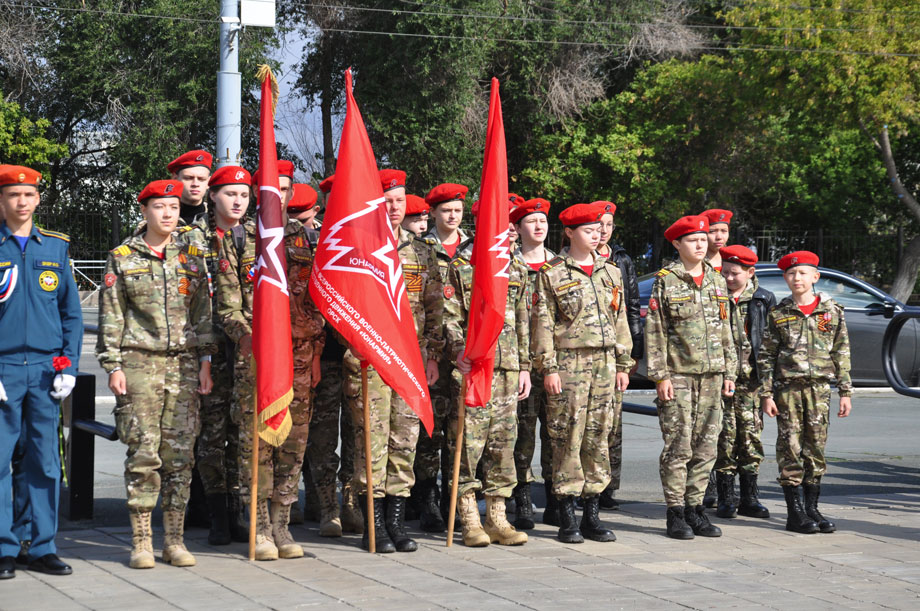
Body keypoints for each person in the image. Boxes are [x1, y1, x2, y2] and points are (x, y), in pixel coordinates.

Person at [97, 179, 214, 569]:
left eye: (174, 207)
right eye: (160, 207)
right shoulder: (123, 257)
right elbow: (112, 314)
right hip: (139, 364)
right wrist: (113, 365)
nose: (168, 214)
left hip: (183, 365)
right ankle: (142, 541)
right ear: (144, 210)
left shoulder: (192, 258)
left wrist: (205, 363)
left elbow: (202, 315)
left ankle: (175, 540)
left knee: (180, 457)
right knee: (143, 454)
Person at [344, 169, 443, 553]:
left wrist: (432, 355)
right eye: (386, 201)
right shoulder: (355, 249)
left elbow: (435, 307)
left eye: (399, 200)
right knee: (372, 442)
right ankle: (374, 525)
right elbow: (342, 306)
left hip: (410, 361)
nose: (394, 207)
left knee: (405, 441)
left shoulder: (420, 251)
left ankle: (397, 524)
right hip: (369, 361)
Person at [530, 203, 633, 544]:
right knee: (568, 435)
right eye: (589, 231)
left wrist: (623, 364)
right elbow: (543, 323)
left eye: (599, 230)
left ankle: (592, 513)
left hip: (605, 363)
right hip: (570, 364)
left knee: (598, 436)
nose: (597, 235)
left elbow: (620, 321)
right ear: (571, 233)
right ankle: (567, 515)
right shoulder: (552, 273)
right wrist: (548, 368)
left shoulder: (611, 272)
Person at [0, 165, 82, 578]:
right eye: (13, 195)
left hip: (47, 371)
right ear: (2, 201)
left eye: (28, 195)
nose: (21, 202)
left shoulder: (55, 248)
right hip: (5, 368)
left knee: (46, 461)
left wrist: (70, 363)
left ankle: (43, 545)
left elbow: (71, 314)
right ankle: (3, 548)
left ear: (37, 200)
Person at [645, 214, 737, 540]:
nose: (701, 244)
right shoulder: (666, 280)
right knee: (678, 446)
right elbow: (655, 330)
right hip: (679, 375)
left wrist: (730, 370)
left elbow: (726, 329)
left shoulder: (716, 279)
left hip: (713, 375)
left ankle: (696, 508)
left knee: (707, 446)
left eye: (703, 239)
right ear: (677, 244)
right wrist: (660, 376)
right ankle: (675, 512)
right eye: (693, 240)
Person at [444, 208, 531, 548]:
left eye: (511, 225)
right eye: (501, 223)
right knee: (468, 444)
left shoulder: (518, 266)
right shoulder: (462, 266)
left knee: (502, 444)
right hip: (475, 365)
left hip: (508, 366)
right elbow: (449, 318)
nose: (508, 230)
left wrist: (524, 366)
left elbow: (523, 320)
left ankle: (497, 516)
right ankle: (468, 517)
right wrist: (457, 352)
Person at [759, 250, 852, 534]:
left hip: (820, 390)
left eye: (802, 273)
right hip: (788, 390)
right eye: (791, 273)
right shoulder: (779, 313)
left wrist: (845, 391)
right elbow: (766, 356)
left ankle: (812, 508)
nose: (796, 278)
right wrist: (765, 393)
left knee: (816, 448)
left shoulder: (832, 311)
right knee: (790, 448)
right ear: (785, 278)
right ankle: (794, 513)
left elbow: (841, 352)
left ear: (815, 277)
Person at [194, 166, 252, 546]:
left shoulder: (255, 238)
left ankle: (238, 510)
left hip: (245, 350)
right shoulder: (192, 239)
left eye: (244, 195)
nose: (237, 201)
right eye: (230, 194)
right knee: (213, 435)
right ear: (213, 195)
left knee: (241, 432)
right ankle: (216, 515)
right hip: (207, 350)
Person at [305, 174, 362, 536]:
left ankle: (352, 501)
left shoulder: (367, 245)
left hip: (359, 357)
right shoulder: (313, 244)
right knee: (322, 437)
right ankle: (328, 508)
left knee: (358, 435)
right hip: (324, 355)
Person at [416, 183, 473, 532]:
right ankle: (427, 500)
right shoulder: (423, 250)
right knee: (430, 430)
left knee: (461, 429)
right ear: (433, 214)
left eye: (457, 210)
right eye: (446, 211)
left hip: (467, 355)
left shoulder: (475, 248)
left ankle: (458, 497)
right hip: (434, 352)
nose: (452, 216)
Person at [713, 245, 774, 520]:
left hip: (751, 383)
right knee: (725, 439)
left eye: (734, 273)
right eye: (724, 272)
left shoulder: (763, 299)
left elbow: (771, 344)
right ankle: (726, 498)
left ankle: (750, 497)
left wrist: (768, 388)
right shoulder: (716, 297)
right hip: (722, 382)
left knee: (750, 439)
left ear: (750, 272)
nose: (728, 278)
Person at [510, 197, 555, 530]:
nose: (539, 226)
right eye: (531, 221)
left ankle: (555, 497)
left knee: (557, 434)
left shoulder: (559, 265)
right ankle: (523, 497)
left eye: (542, 221)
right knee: (523, 434)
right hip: (521, 361)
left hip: (554, 363)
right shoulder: (510, 265)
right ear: (518, 228)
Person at [595, 201, 643, 511]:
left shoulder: (621, 259)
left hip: (617, 349)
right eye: (598, 224)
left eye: (608, 225)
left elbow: (632, 306)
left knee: (614, 424)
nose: (603, 230)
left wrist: (634, 350)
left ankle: (609, 487)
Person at [167, 150, 213, 226]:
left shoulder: (218, 218)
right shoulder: (163, 217)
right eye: (189, 178)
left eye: (201, 179)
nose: (195, 184)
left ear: (208, 182)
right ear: (175, 179)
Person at [702, 209, 732, 273]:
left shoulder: (735, 260)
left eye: (724, 231)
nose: (719, 237)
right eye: (712, 231)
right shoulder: (694, 264)